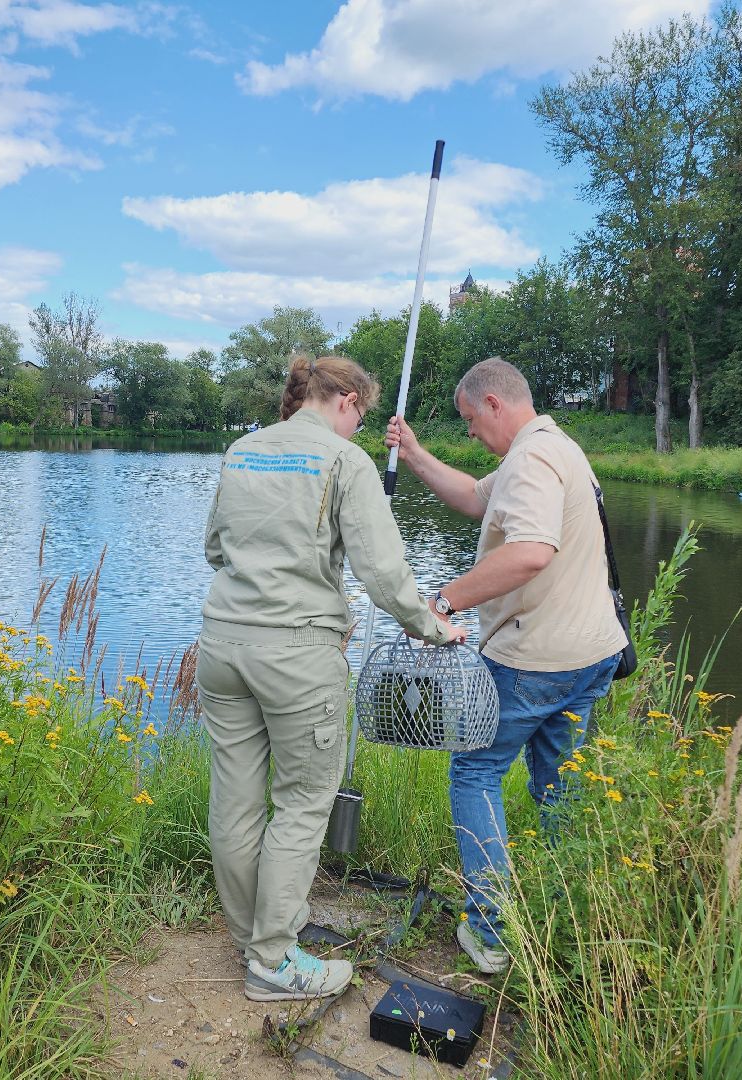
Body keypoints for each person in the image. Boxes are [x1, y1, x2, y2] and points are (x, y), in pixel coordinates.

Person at [198, 354, 466, 1002]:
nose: (359, 429)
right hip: (297, 655)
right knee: (300, 802)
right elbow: (382, 571)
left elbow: (214, 548)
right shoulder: (345, 462)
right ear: (344, 399)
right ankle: (273, 960)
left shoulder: (242, 451)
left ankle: (250, 937)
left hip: (222, 644)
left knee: (234, 801)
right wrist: (434, 626)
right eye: (362, 416)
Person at [385, 357, 626, 975]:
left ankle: (491, 933)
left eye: (469, 420)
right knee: (559, 784)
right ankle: (574, 916)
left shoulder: (531, 460)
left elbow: (530, 552)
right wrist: (413, 453)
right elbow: (472, 496)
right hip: (590, 655)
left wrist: (441, 601)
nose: (469, 433)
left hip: (534, 660)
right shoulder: (550, 447)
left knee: (474, 772)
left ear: (494, 404)